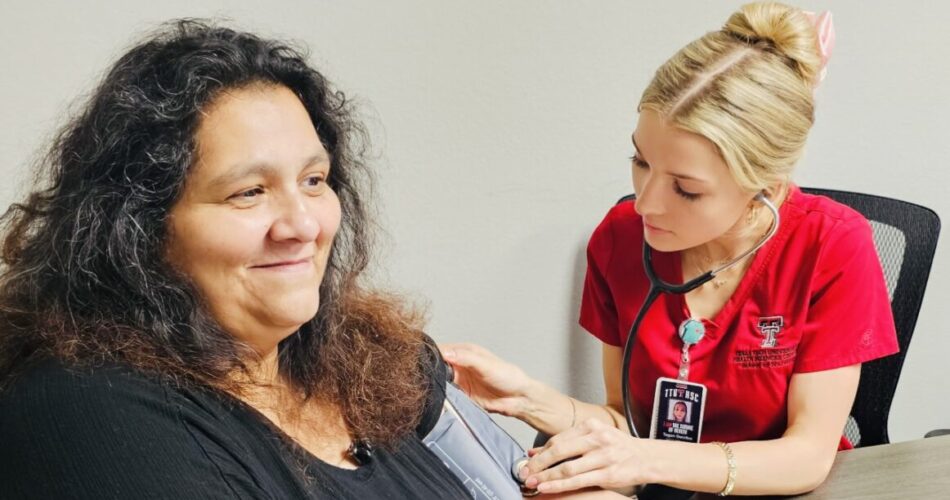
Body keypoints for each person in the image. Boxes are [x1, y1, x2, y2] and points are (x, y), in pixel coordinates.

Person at [0, 20, 478, 499]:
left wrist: (550, 454)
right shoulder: (90, 410)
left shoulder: (378, 363)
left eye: (314, 180)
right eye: (249, 192)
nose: (303, 226)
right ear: (139, 227)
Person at [441, 2, 897, 497]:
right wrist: (528, 398)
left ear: (764, 183)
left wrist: (644, 458)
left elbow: (807, 455)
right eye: (640, 161)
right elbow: (627, 422)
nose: (644, 203)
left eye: (685, 188)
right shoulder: (619, 238)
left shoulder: (832, 244)